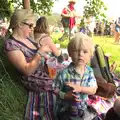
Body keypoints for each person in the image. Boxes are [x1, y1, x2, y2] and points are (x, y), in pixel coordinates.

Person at [4, 9, 56, 120]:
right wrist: (39, 53)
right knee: (67, 80)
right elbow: (26, 70)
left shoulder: (27, 38)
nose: (33, 28)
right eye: (30, 25)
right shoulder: (11, 45)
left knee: (73, 72)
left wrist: (46, 58)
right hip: (35, 79)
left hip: (46, 71)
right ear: (19, 24)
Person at [53, 32, 98, 120]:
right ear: (70, 54)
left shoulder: (89, 72)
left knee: (95, 117)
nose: (80, 54)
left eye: (85, 52)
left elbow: (93, 89)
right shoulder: (64, 73)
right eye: (76, 51)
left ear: (90, 56)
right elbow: (55, 89)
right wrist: (66, 96)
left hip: (82, 108)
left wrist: (81, 89)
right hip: (65, 109)